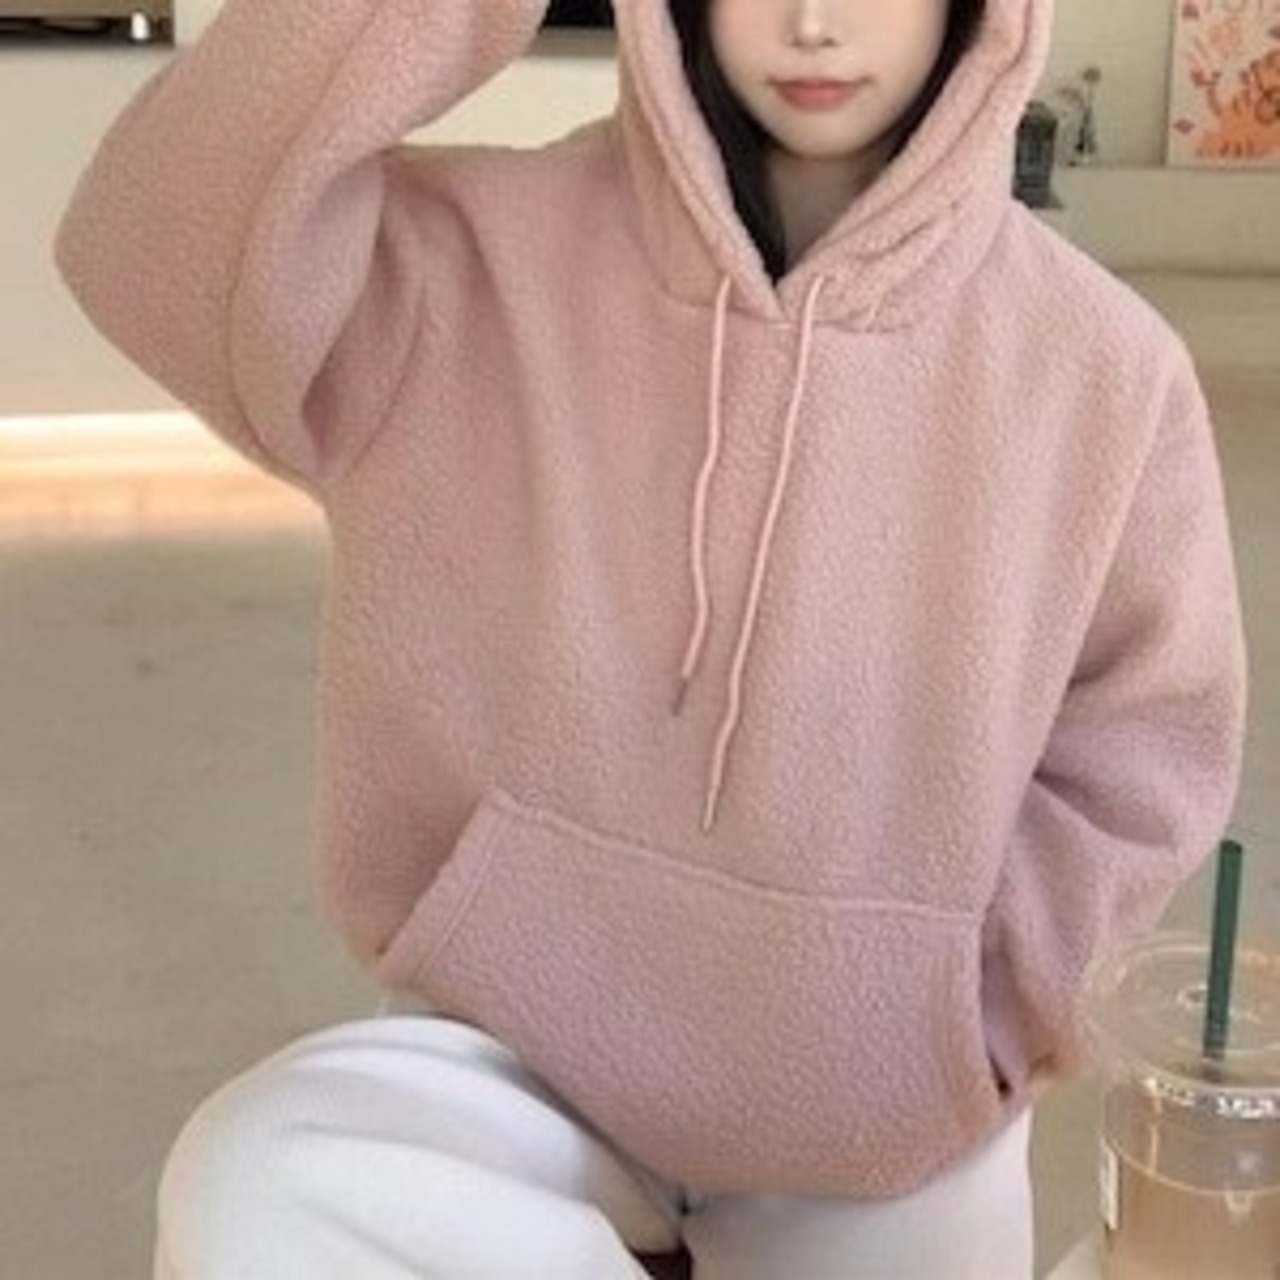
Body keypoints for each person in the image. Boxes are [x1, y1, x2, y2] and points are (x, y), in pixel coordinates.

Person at [55, 0, 1245, 1276]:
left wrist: (970, 1014)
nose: (812, 23)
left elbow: (1143, 751)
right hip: (513, 1048)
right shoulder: (466, 265)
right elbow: (151, 246)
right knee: (255, 1183)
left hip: (884, 1105)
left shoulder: (1099, 368)